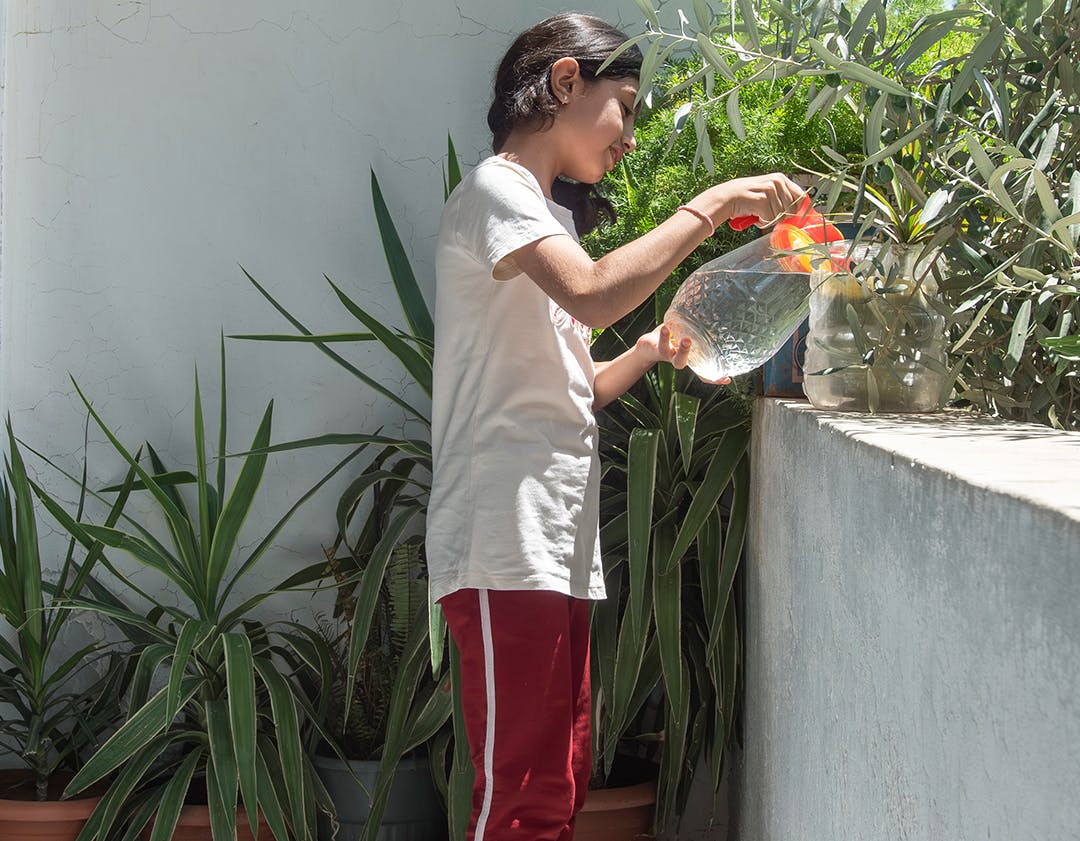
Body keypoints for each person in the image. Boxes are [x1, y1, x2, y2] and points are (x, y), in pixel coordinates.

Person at [426, 13, 805, 841]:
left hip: (553, 542)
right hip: (503, 537)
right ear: (566, 83)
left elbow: (575, 387)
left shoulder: (547, 222)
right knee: (519, 795)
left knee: (559, 784)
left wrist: (649, 349)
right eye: (624, 106)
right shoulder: (497, 192)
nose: (630, 136)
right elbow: (595, 291)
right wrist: (714, 203)